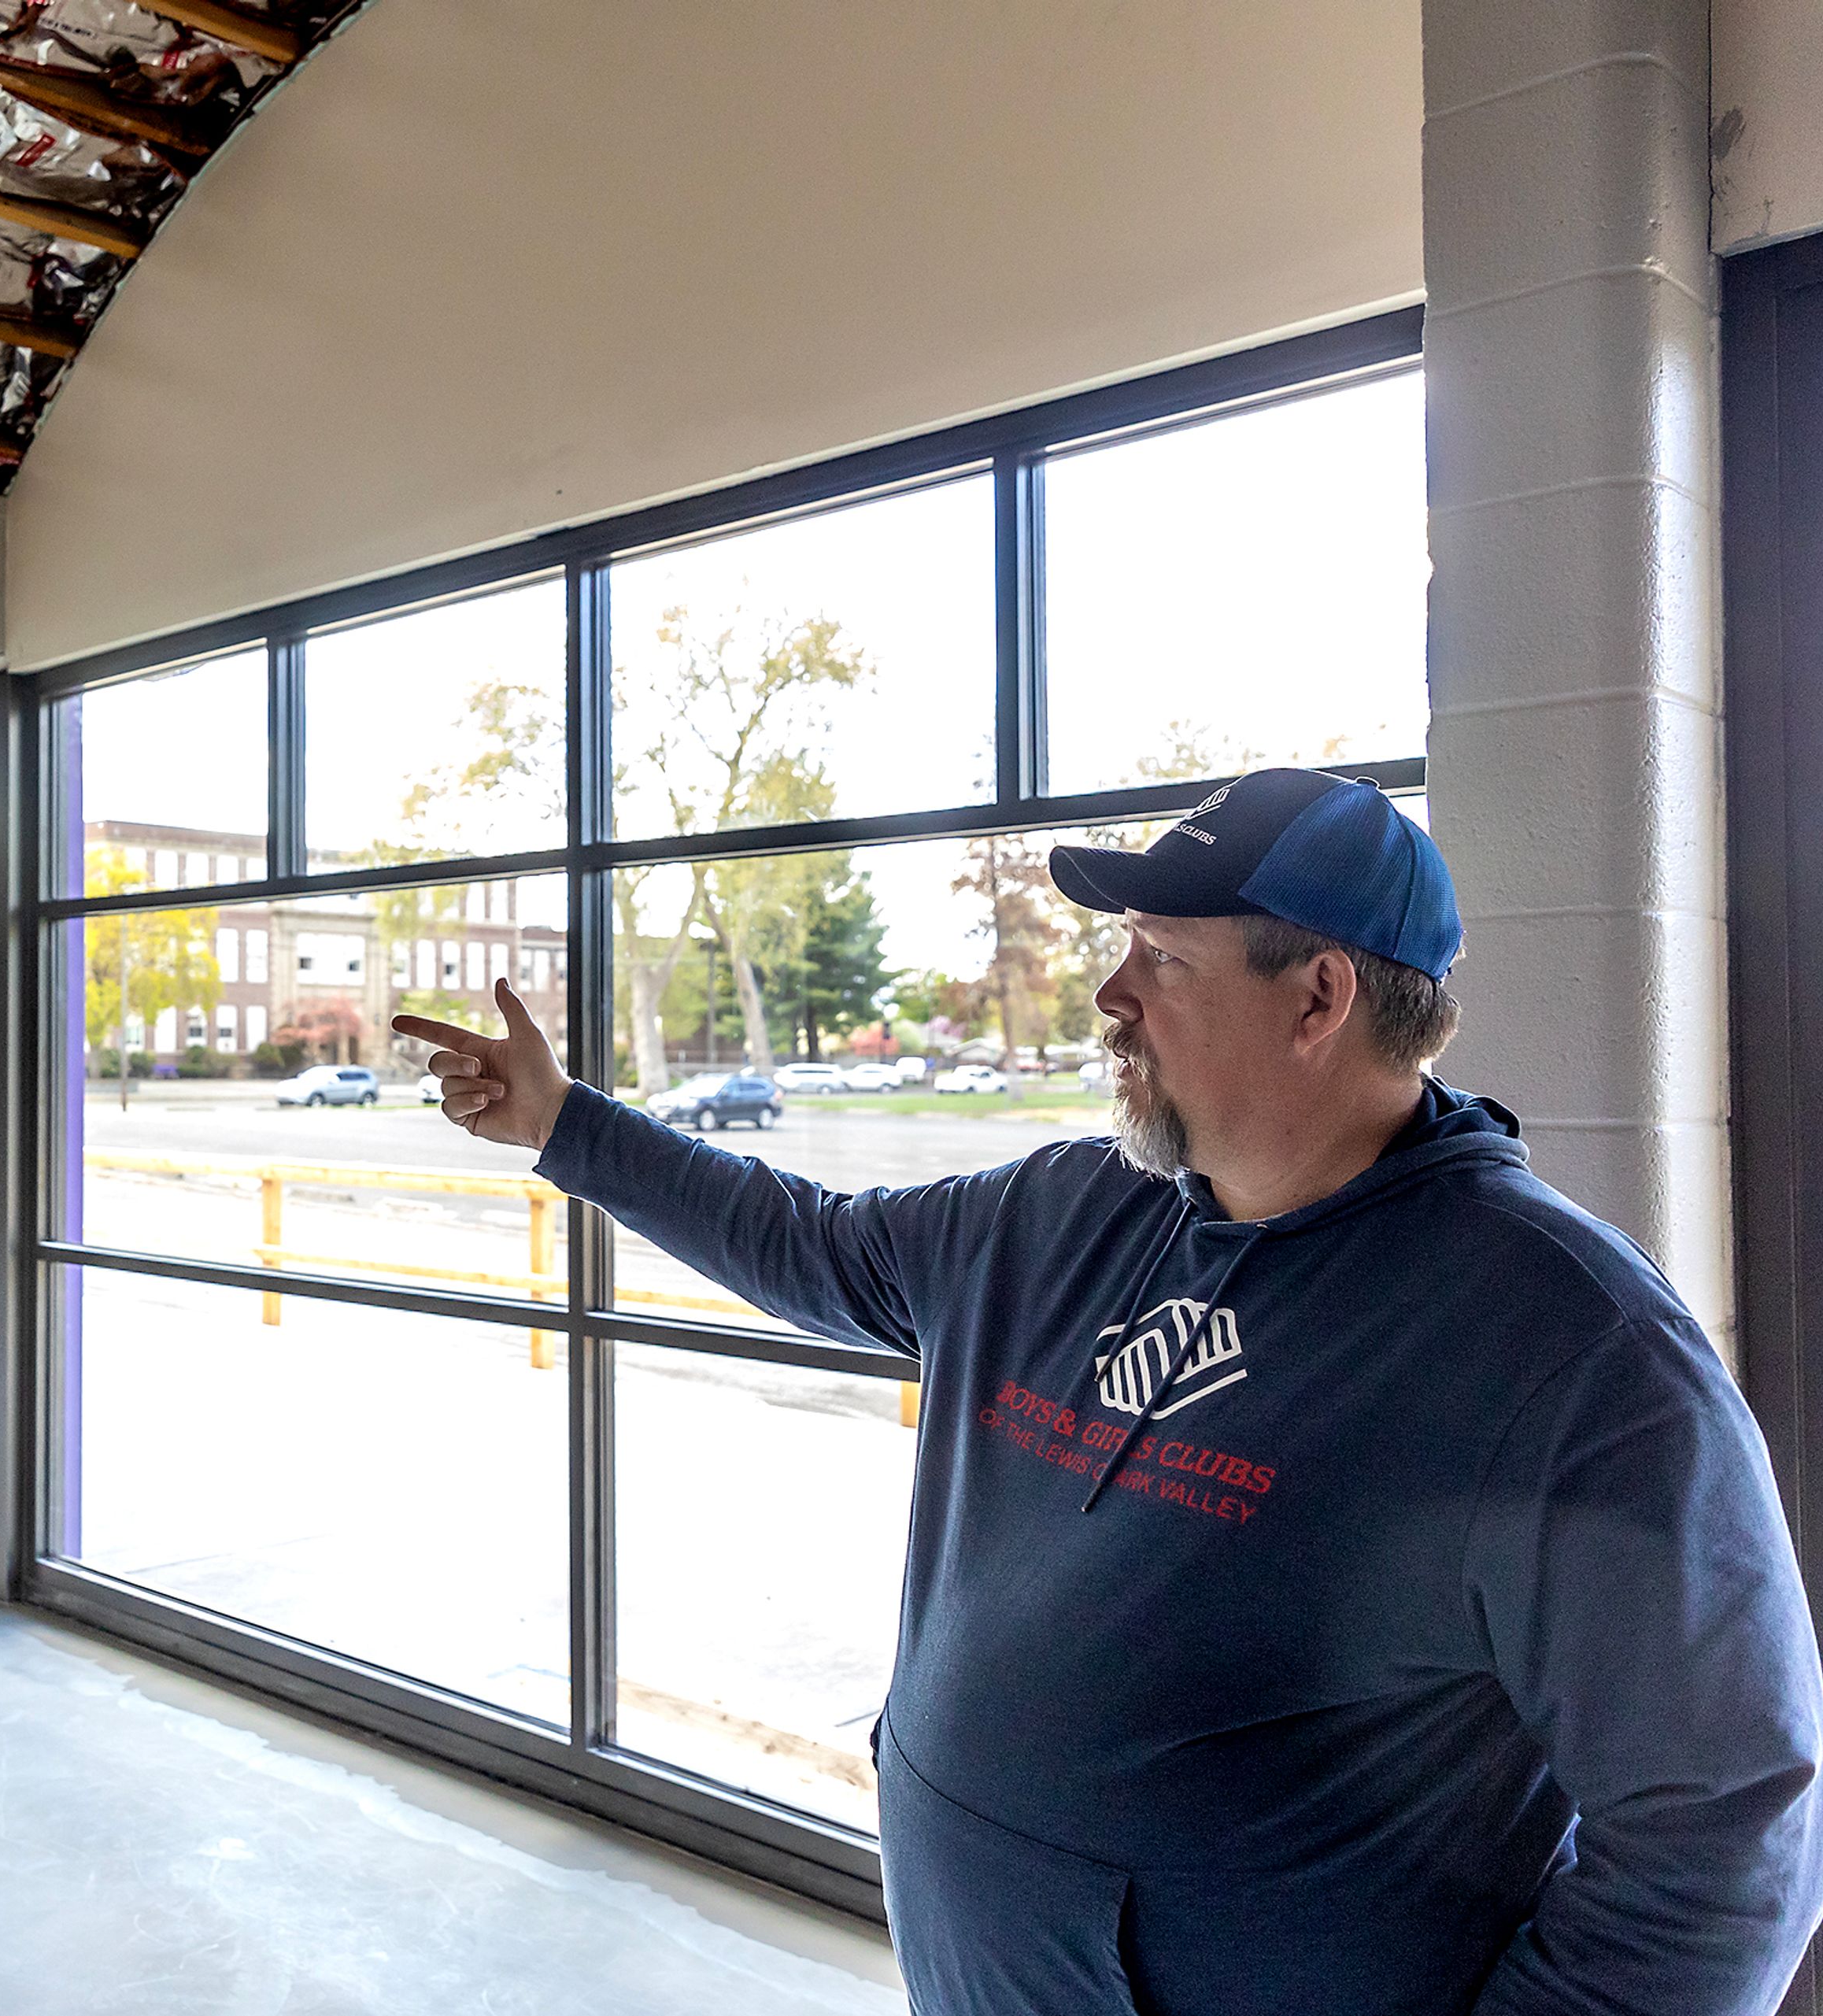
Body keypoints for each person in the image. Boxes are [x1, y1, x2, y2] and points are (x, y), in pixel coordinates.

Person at [396, 768, 1823, 2014]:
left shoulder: (1566, 1346)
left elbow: (1727, 1834)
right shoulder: (1063, 1214)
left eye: (1160, 954)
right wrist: (566, 1125)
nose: (1110, 992)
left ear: (1320, 993)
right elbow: (809, 1242)